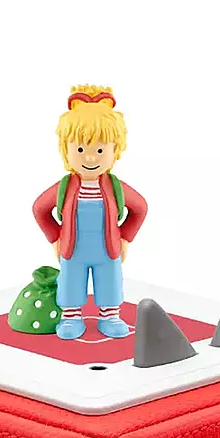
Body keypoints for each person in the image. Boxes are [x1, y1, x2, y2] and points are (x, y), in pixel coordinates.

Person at [33, 85, 148, 339]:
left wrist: (125, 237)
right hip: (73, 249)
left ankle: (110, 316)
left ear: (115, 150)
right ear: (66, 149)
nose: (91, 158)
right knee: (71, 281)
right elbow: (40, 208)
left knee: (109, 281)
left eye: (100, 150)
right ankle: (71, 317)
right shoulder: (65, 187)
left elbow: (140, 208)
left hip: (107, 248)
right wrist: (55, 237)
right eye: (81, 149)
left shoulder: (114, 186)